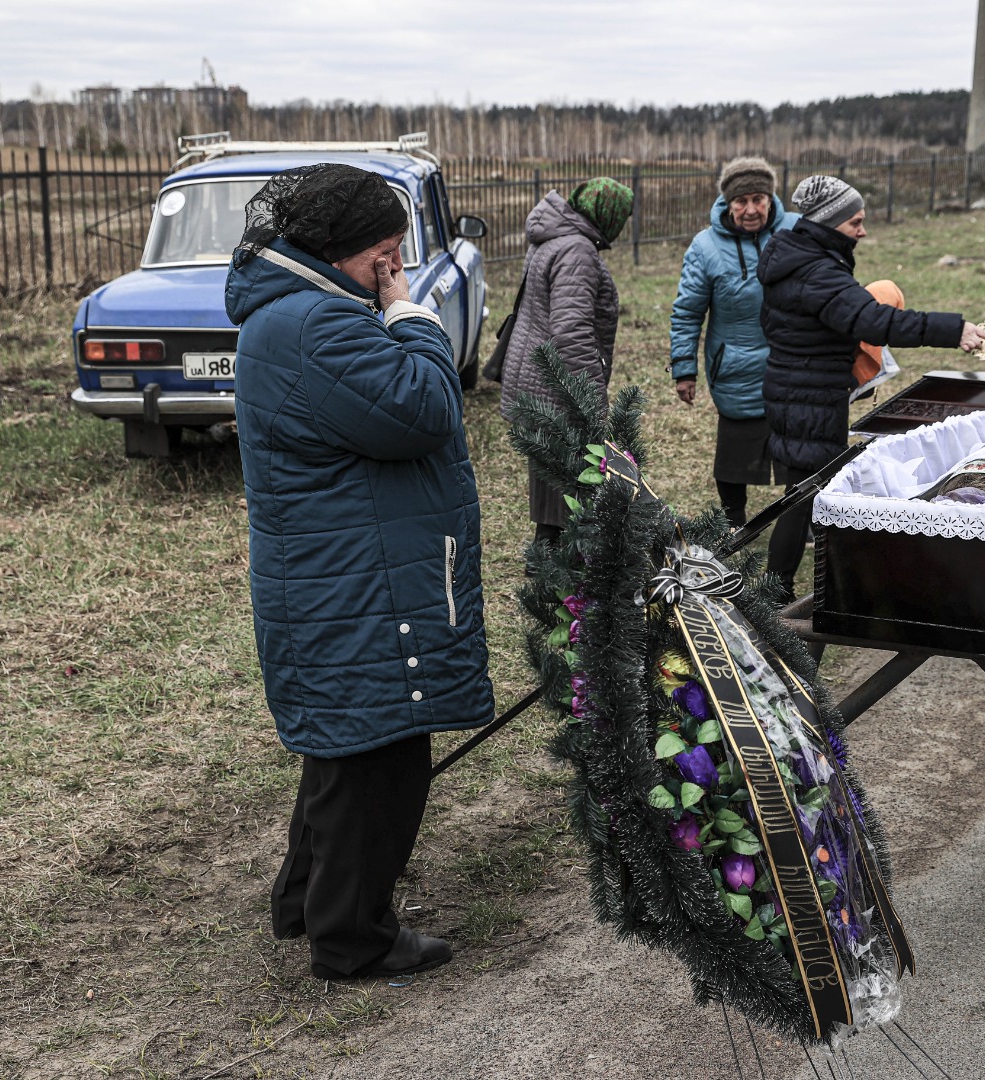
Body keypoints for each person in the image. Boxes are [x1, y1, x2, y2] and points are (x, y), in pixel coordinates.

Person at [225, 164, 494, 981]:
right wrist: (410, 313)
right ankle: (352, 938)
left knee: (351, 748)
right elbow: (421, 409)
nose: (393, 267)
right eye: (383, 253)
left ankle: (311, 901)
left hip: (342, 571)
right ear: (338, 251)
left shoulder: (302, 313)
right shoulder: (316, 326)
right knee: (381, 759)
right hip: (353, 579)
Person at [757, 175, 985, 597]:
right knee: (807, 493)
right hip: (809, 395)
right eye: (855, 223)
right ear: (830, 223)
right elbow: (877, 321)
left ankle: (782, 588)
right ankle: (789, 592)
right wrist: (954, 329)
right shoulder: (817, 271)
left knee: (804, 490)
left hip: (798, 388)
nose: (863, 231)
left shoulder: (798, 256)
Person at [498, 177, 634, 543]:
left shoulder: (555, 237)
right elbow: (571, 332)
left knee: (551, 478)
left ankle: (548, 556)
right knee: (569, 481)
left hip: (535, 378)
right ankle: (559, 566)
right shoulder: (577, 249)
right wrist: (588, 400)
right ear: (610, 217)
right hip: (554, 387)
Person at [669, 157, 800, 527]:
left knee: (799, 441)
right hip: (735, 365)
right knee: (734, 448)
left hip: (791, 360)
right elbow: (687, 312)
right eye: (741, 201)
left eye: (759, 198)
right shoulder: (705, 247)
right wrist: (684, 370)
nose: (751, 209)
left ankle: (800, 519)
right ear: (727, 203)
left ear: (772, 198)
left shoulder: (796, 230)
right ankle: (733, 520)